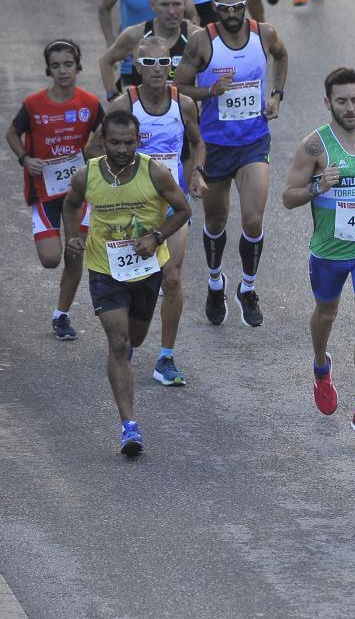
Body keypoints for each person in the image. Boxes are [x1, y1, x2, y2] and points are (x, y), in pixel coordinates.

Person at [63, 111, 191, 455]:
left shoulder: (154, 172)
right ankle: (129, 427)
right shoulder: (86, 175)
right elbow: (71, 205)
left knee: (134, 338)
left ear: (139, 140)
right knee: (119, 343)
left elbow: (183, 209)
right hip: (105, 269)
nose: (122, 149)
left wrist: (157, 236)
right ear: (103, 141)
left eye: (129, 142)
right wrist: (73, 235)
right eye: (115, 142)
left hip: (147, 269)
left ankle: (126, 359)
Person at [283, 68, 355, 441]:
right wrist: (319, 184)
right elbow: (288, 197)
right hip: (329, 251)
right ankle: (321, 366)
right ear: (328, 103)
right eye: (342, 101)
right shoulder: (314, 146)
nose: (350, 108)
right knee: (326, 314)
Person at [89, 36, 208, 386]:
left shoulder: (183, 104)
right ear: (137, 67)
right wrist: (106, 184)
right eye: (149, 63)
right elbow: (94, 147)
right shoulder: (124, 104)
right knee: (133, 277)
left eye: (164, 62)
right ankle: (125, 337)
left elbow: (198, 142)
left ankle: (166, 358)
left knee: (172, 278)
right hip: (131, 204)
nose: (158, 69)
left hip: (171, 202)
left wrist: (197, 173)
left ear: (171, 66)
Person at [175, 0, 288, 327]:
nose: (231, 15)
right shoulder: (201, 42)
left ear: (246, 1)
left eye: (236, 7)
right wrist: (209, 90)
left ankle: (248, 288)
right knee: (216, 220)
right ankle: (214, 282)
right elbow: (178, 86)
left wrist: (276, 95)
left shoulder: (264, 34)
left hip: (253, 141)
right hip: (215, 147)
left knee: (253, 220)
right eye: (223, 9)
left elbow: (281, 57)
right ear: (215, 6)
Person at [5, 40, 104, 340]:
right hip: (44, 191)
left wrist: (92, 154)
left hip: (79, 191)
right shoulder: (34, 105)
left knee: (75, 254)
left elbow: (108, 135)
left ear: (78, 66)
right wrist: (25, 158)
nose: (63, 70)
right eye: (56, 65)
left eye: (68, 64)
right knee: (50, 259)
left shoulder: (90, 104)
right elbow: (12, 133)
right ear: (48, 70)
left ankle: (61, 315)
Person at [100, 0, 202, 99]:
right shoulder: (135, 35)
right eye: (164, 5)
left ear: (185, 4)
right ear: (153, 5)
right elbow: (105, 61)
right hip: (142, 114)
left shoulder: (197, 36)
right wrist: (113, 96)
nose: (171, 11)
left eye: (176, 4)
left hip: (182, 114)